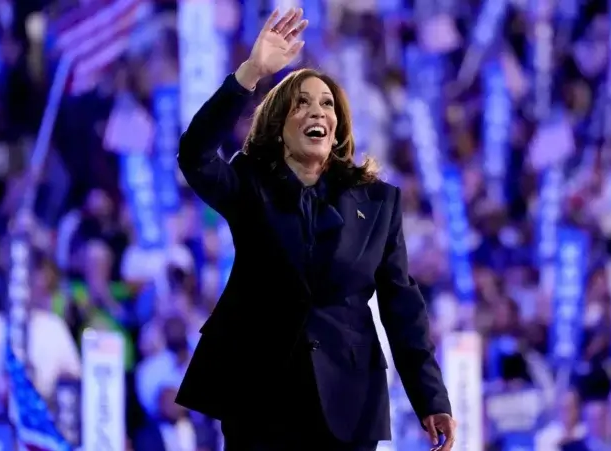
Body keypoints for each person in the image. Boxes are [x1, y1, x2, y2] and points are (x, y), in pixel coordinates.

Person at [174, 8, 456, 451]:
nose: (315, 109)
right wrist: (250, 73)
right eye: (300, 102)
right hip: (258, 397)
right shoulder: (249, 184)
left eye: (326, 103)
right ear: (279, 128)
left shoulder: (379, 203)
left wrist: (430, 397)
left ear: (338, 125)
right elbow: (194, 155)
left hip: (346, 402)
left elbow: (403, 309)